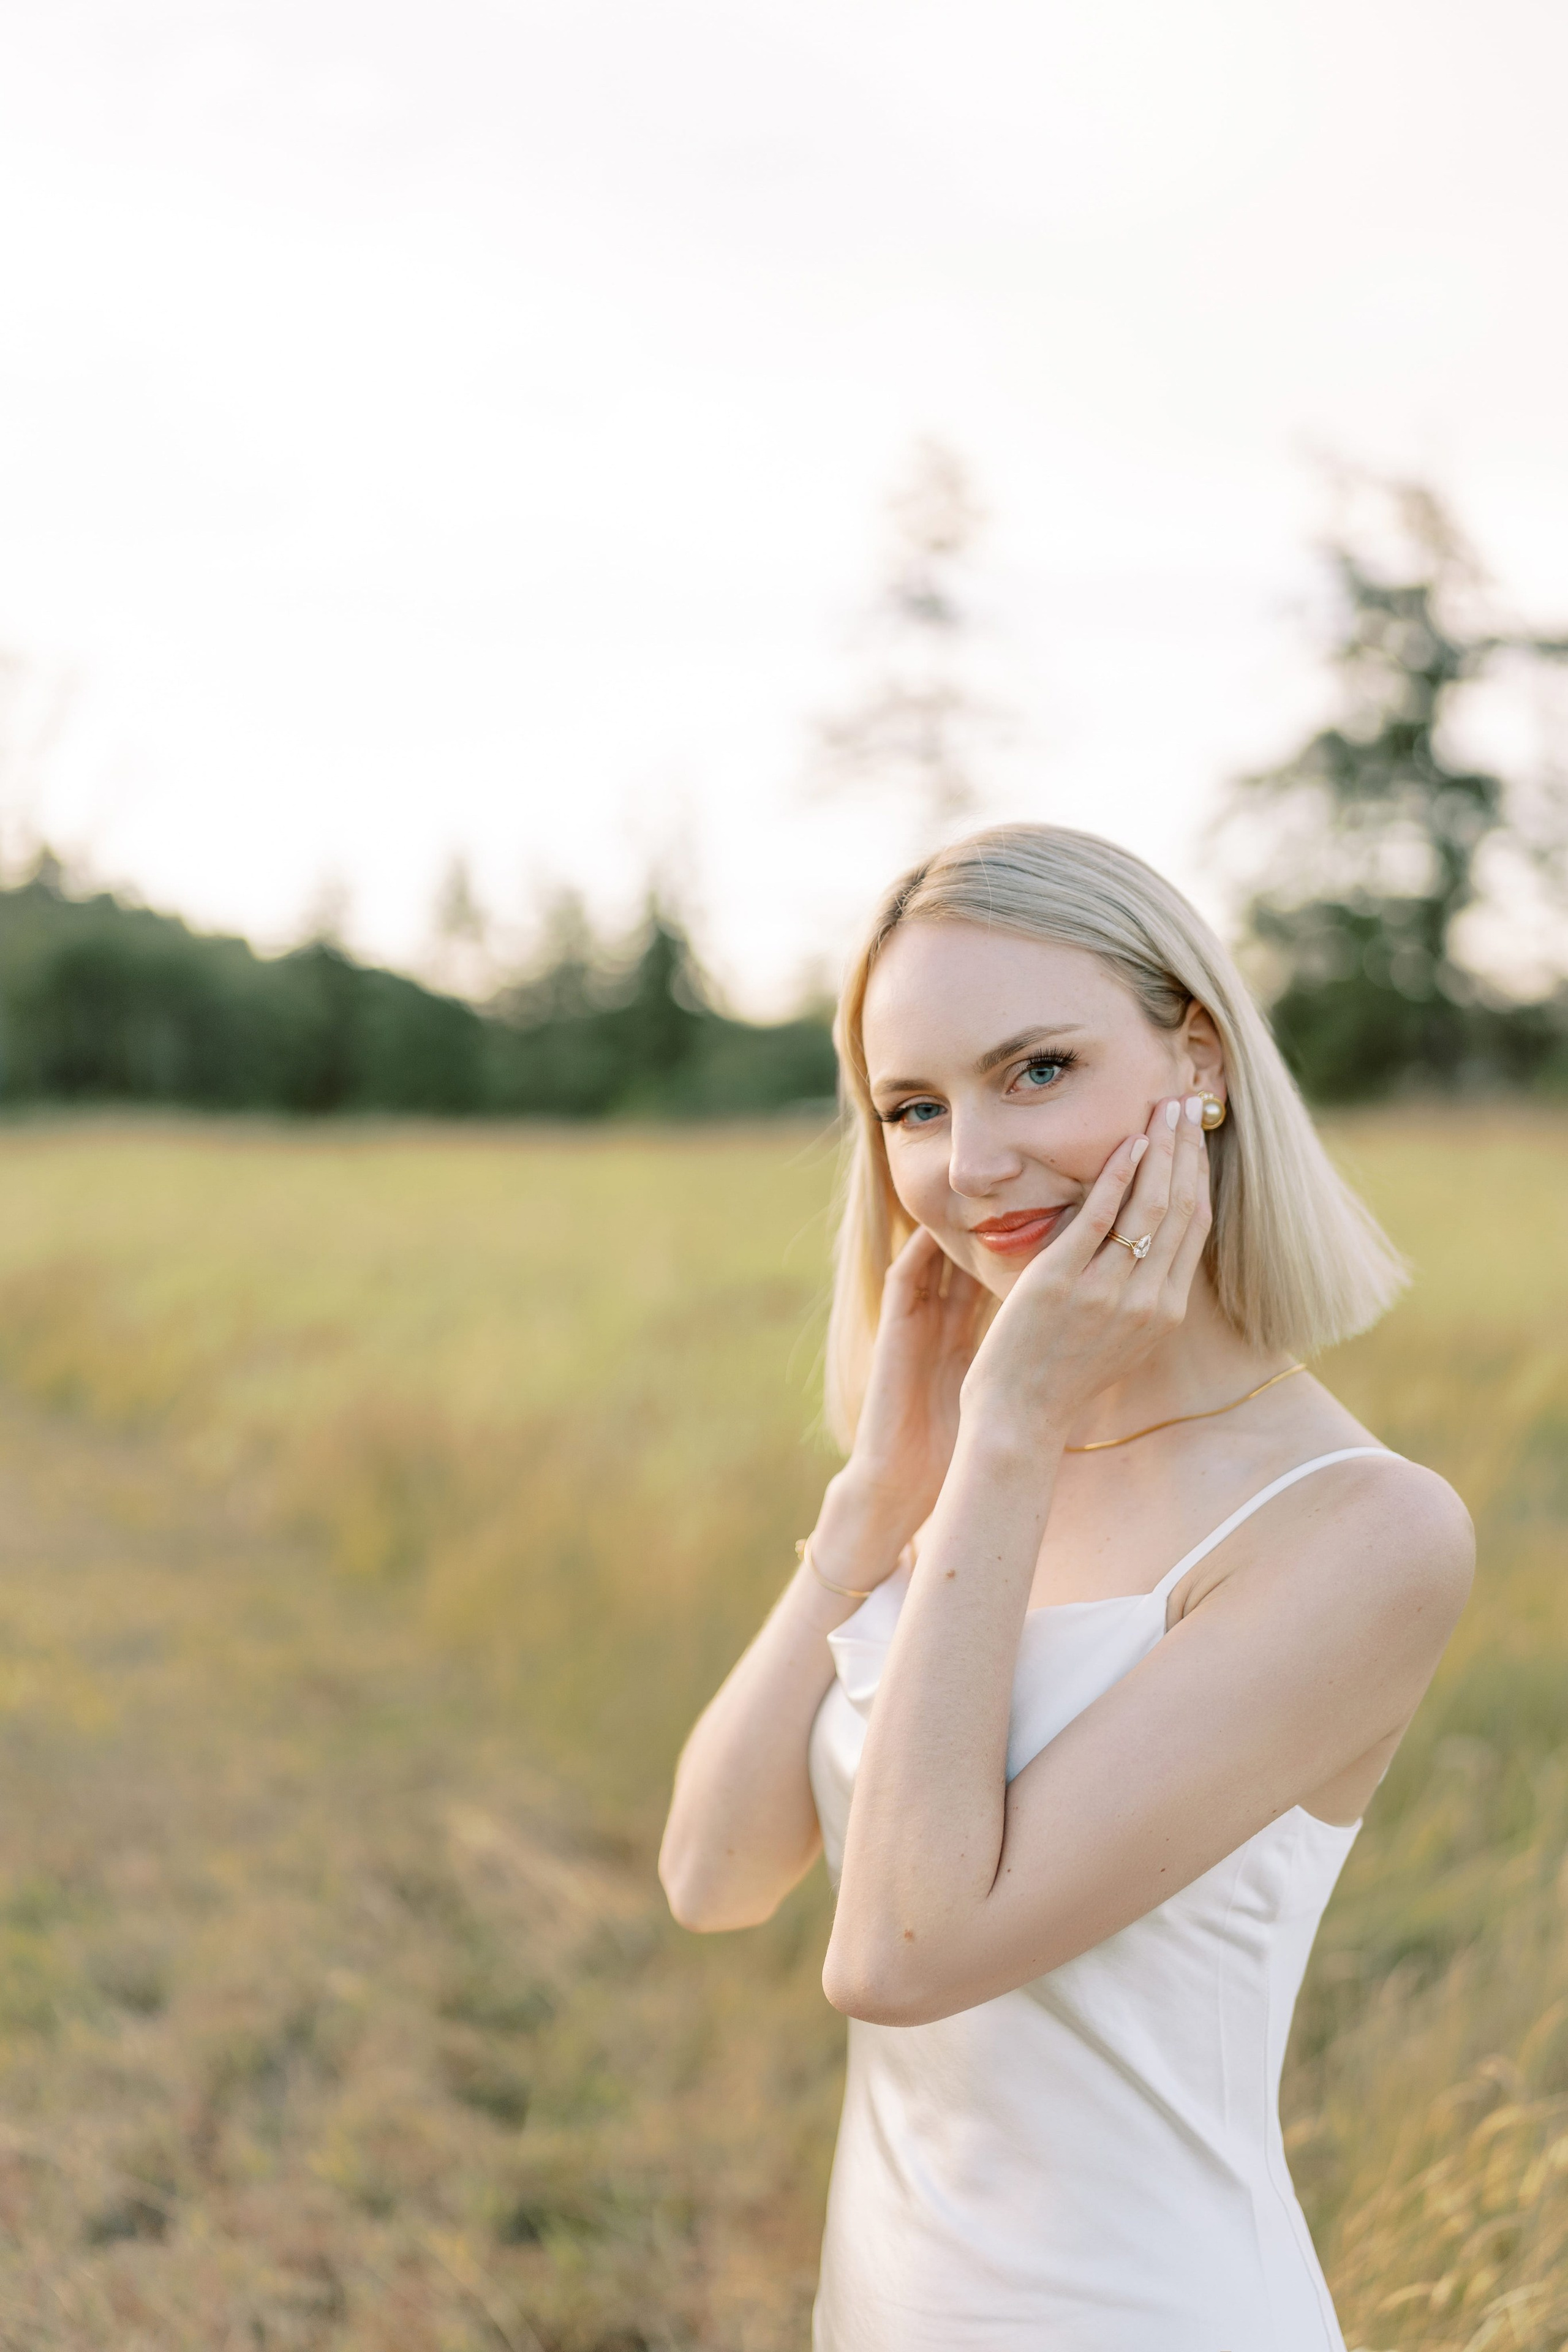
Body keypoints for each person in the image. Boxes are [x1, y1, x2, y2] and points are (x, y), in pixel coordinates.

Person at [658, 824, 1471, 2352]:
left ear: (1200, 1060)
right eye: (912, 1106)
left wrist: (1009, 1434)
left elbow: (896, 1957)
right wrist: (868, 1521)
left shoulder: (1359, 1532)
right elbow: (712, 1875)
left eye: (1036, 1069)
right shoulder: (963, 1486)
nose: (966, 1166)